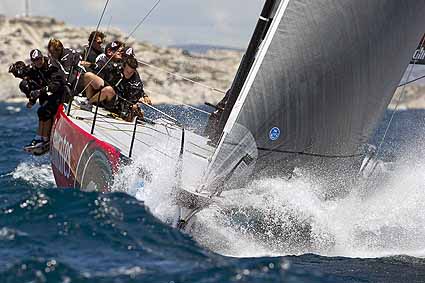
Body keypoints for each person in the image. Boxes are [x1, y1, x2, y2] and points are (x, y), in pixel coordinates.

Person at [9, 49, 66, 154]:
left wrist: (40, 91)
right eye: (35, 60)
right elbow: (27, 75)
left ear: (42, 57)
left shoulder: (52, 66)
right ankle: (41, 137)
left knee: (45, 110)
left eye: (39, 59)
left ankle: (43, 138)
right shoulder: (34, 68)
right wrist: (32, 99)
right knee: (41, 110)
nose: (38, 62)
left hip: (60, 93)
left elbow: (57, 84)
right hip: (47, 93)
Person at [89, 56, 151, 121]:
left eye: (131, 72)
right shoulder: (117, 67)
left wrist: (145, 96)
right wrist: (91, 65)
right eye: (127, 71)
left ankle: (129, 123)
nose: (129, 74)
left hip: (123, 102)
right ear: (123, 67)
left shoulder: (135, 79)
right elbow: (104, 67)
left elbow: (139, 91)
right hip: (112, 97)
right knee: (104, 87)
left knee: (135, 108)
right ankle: (88, 103)